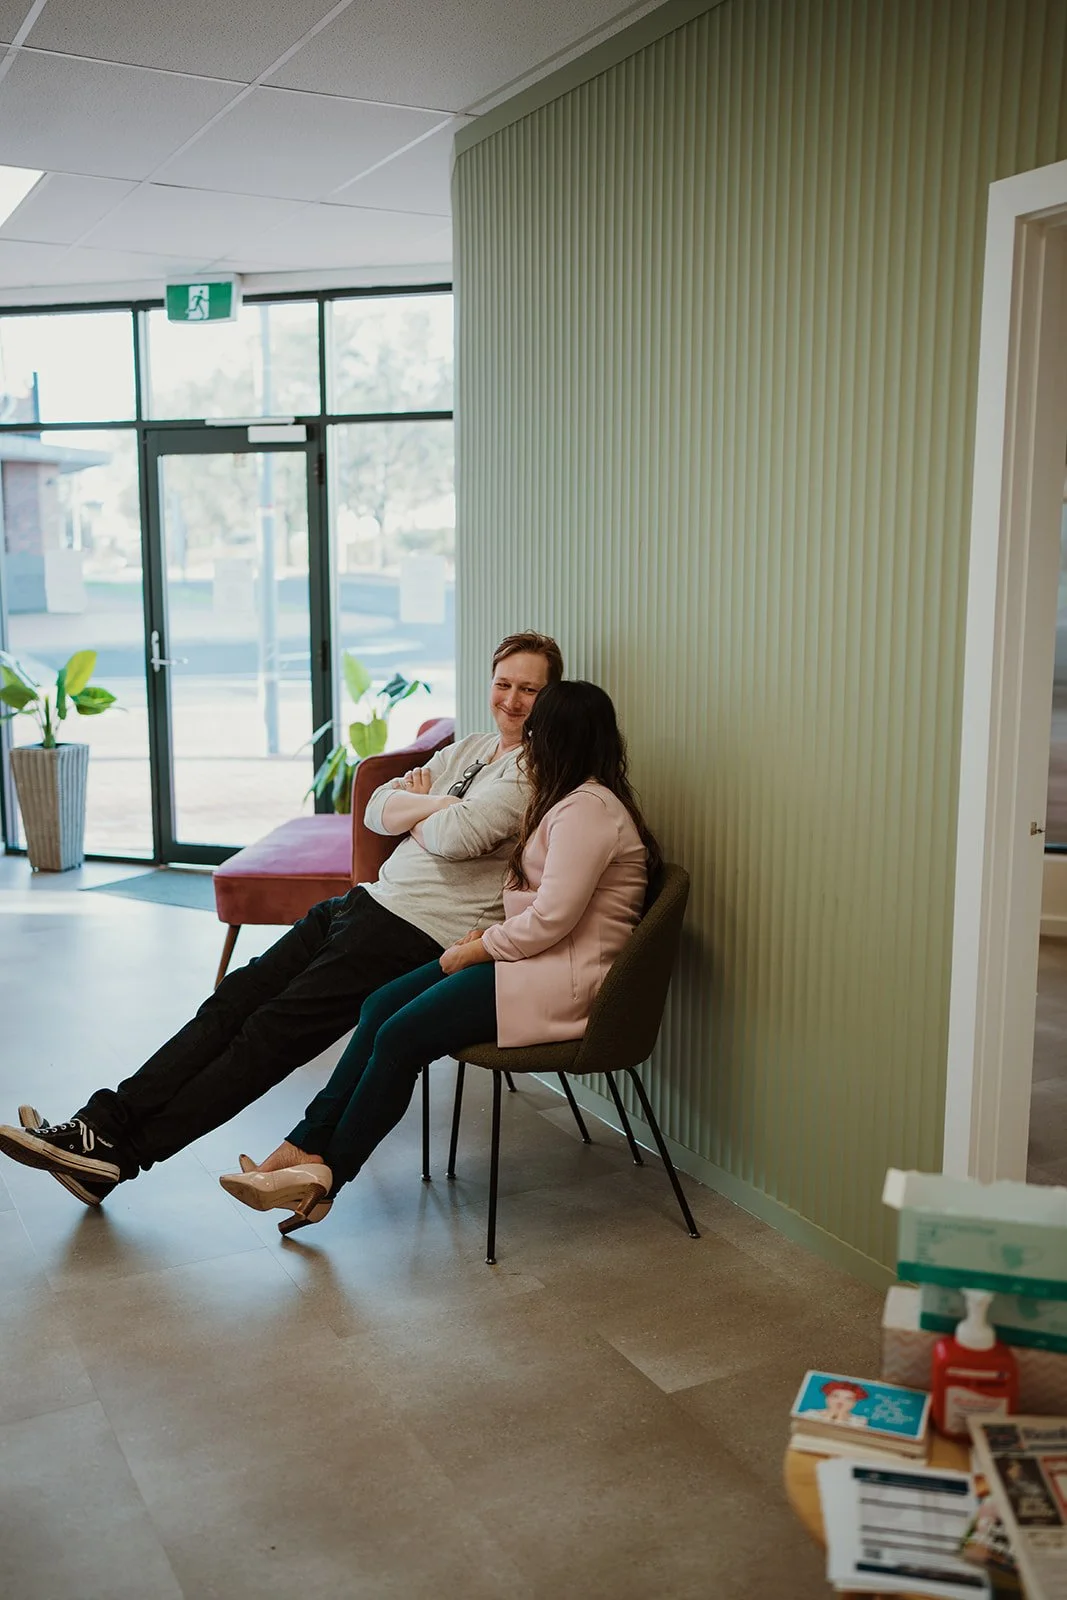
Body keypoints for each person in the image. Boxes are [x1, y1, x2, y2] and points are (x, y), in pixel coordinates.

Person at [0, 631, 564, 1206]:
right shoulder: (470, 748)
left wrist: (421, 809)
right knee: (228, 1005)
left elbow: (455, 835)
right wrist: (434, 806)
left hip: (412, 933)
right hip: (361, 906)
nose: (512, 700)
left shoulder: (532, 773)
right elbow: (374, 809)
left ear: (551, 697)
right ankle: (99, 1124)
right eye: (503, 684)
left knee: (265, 1040)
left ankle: (122, 1156)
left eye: (529, 689)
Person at [217, 679, 661, 1235]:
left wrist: (475, 949)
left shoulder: (587, 810)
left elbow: (553, 920)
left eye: (537, 731)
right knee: (380, 1006)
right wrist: (485, 940)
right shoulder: (569, 802)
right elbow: (542, 912)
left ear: (559, 739)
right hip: (530, 958)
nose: (527, 744)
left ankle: (327, 1175)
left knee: (402, 1036)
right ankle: (300, 1149)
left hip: (558, 976)